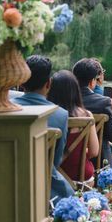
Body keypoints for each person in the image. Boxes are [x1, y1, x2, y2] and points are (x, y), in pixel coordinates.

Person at [16, 55, 73, 202]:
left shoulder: (7, 108)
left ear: (22, 82)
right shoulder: (60, 114)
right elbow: (55, 160)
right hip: (47, 187)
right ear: (49, 83)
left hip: (12, 178)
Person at [48, 69, 100, 184]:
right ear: (75, 90)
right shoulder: (86, 116)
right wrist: (78, 152)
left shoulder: (48, 116)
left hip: (53, 174)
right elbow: (94, 152)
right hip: (81, 175)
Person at [72, 58, 112, 167]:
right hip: (100, 161)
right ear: (92, 81)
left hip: (70, 160)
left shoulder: (65, 101)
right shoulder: (104, 102)